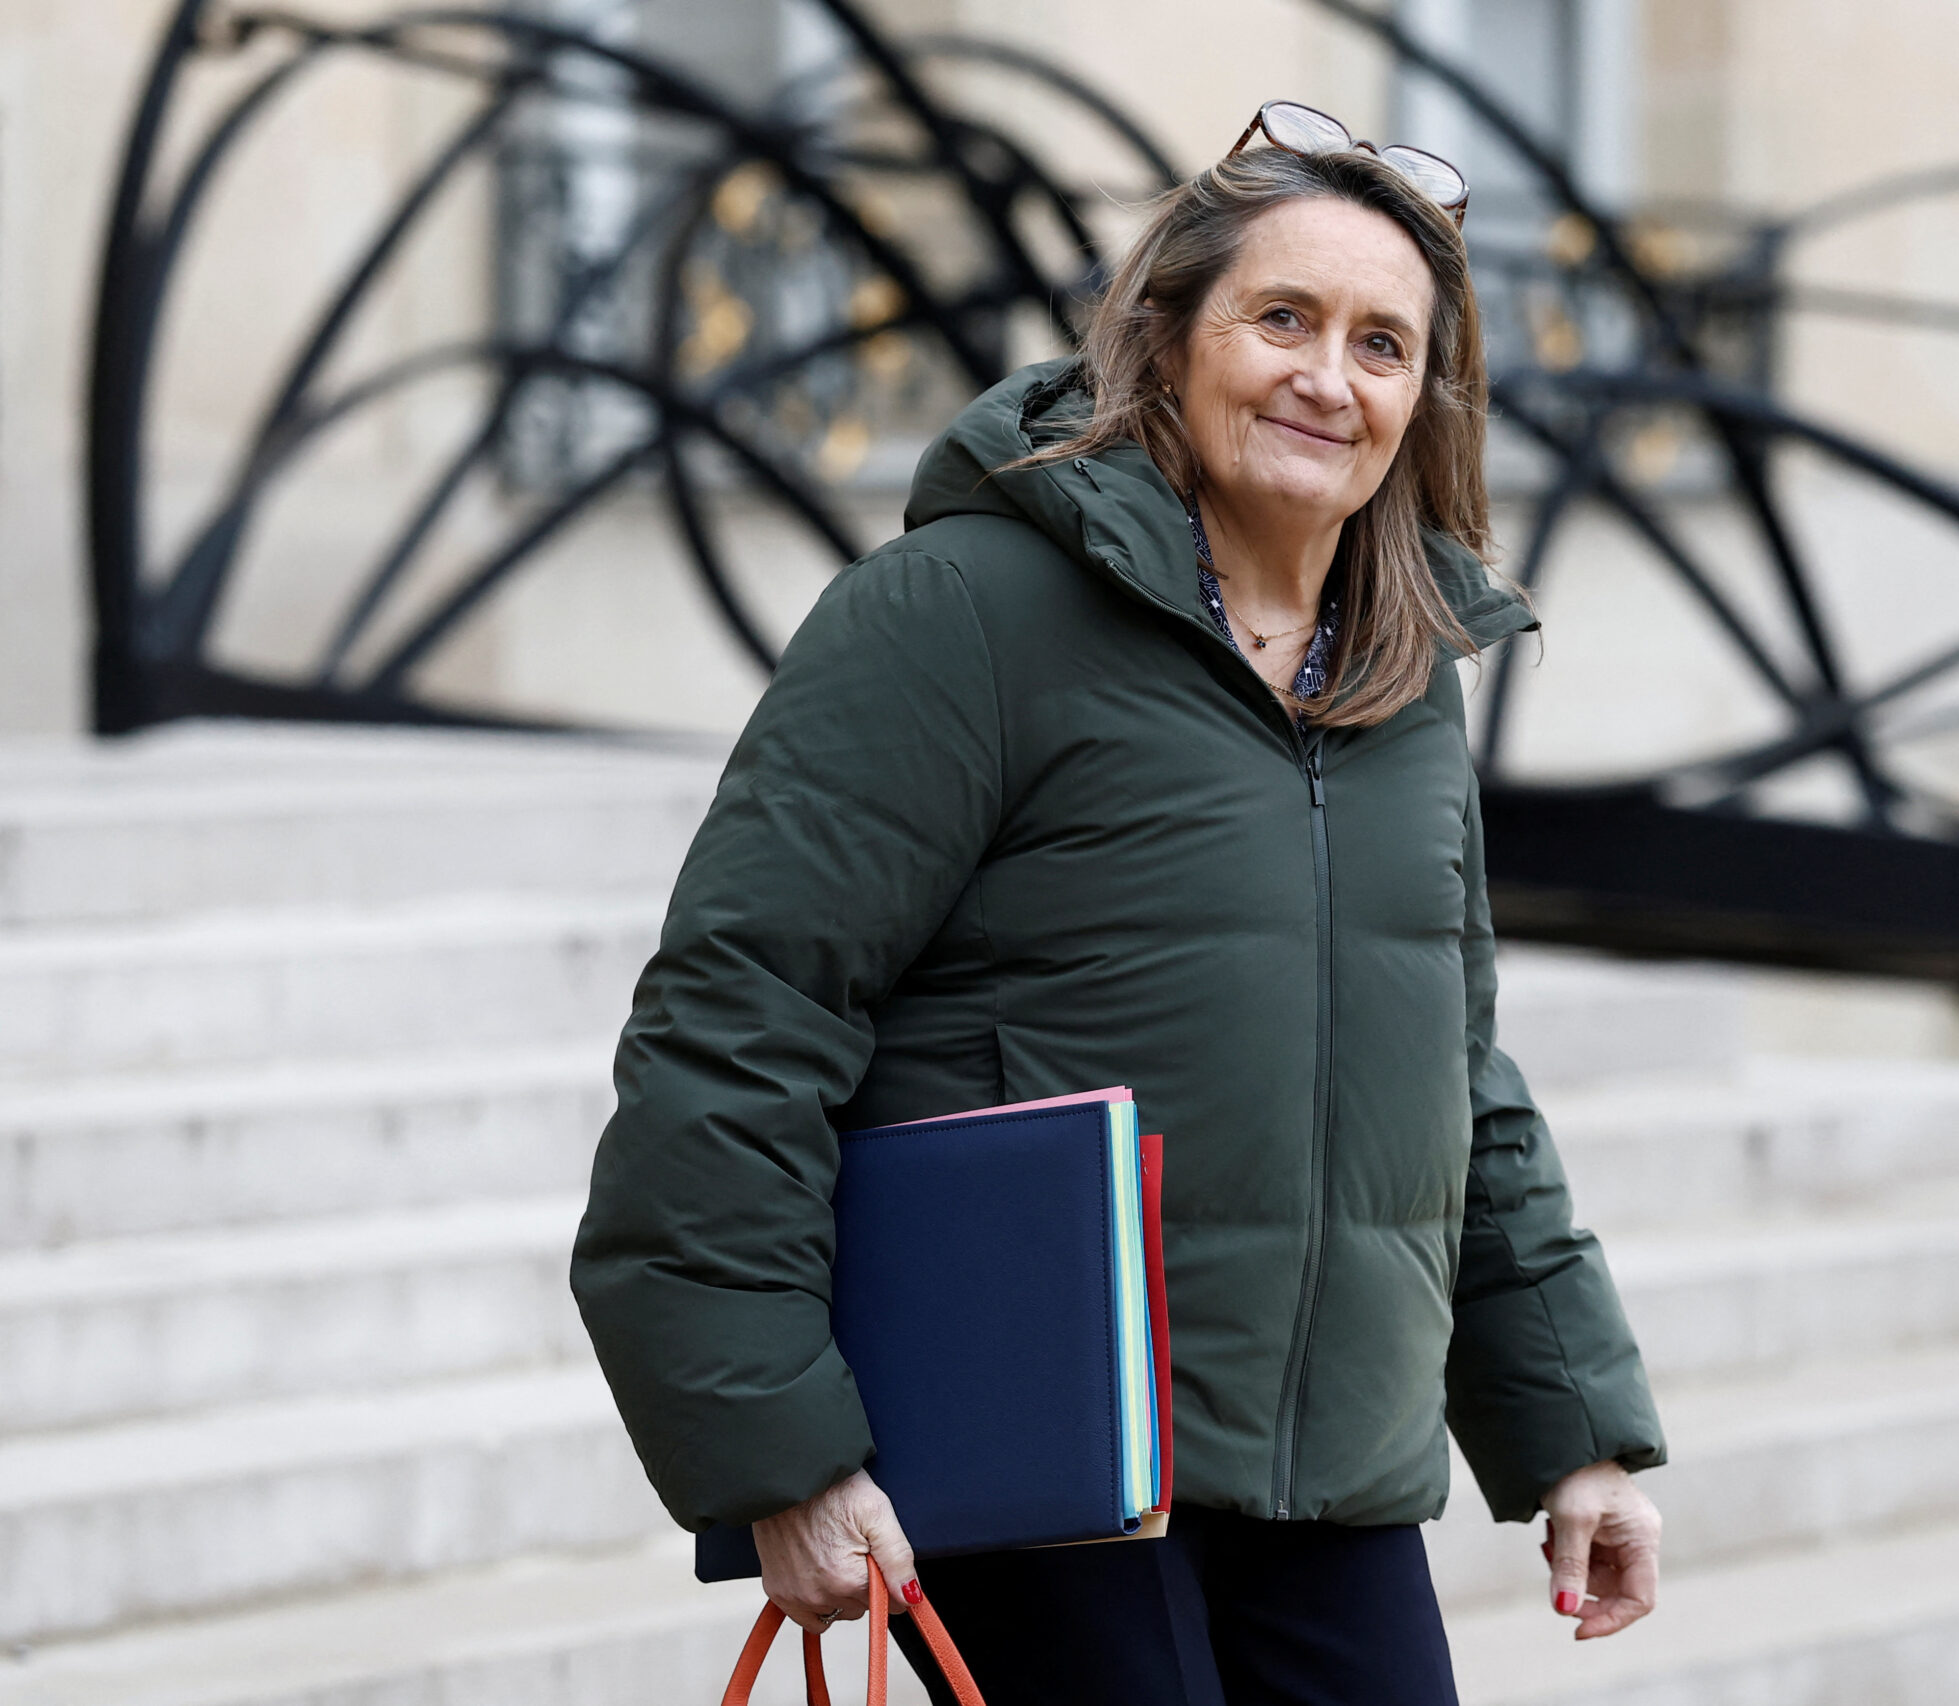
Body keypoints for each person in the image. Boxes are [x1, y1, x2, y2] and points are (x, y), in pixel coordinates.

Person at [572, 100, 1666, 1706]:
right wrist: (777, 1449)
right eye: (1280, 318)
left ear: (1422, 401)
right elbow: (739, 1020)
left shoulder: (1404, 672)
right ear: (1165, 336)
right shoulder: (961, 612)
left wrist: (1570, 1428)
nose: (1327, 377)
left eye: (1381, 344)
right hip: (1045, 1455)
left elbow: (1455, 1076)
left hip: (1331, 1470)